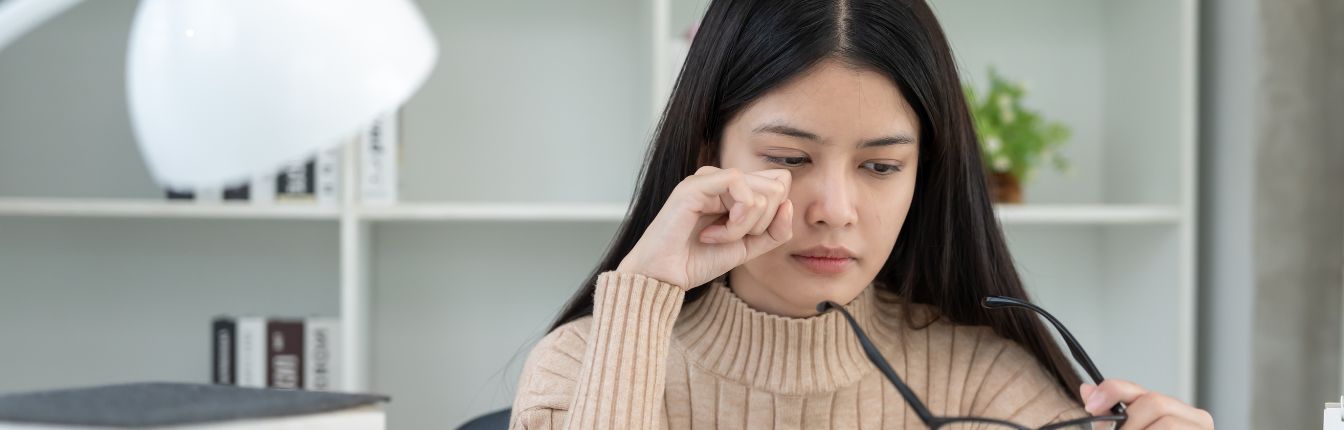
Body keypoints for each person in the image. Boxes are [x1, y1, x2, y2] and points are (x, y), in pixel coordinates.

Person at [509, 0, 1214, 428]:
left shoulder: (988, 387)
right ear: (707, 153)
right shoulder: (582, 368)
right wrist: (645, 292)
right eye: (788, 158)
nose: (836, 211)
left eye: (880, 167)